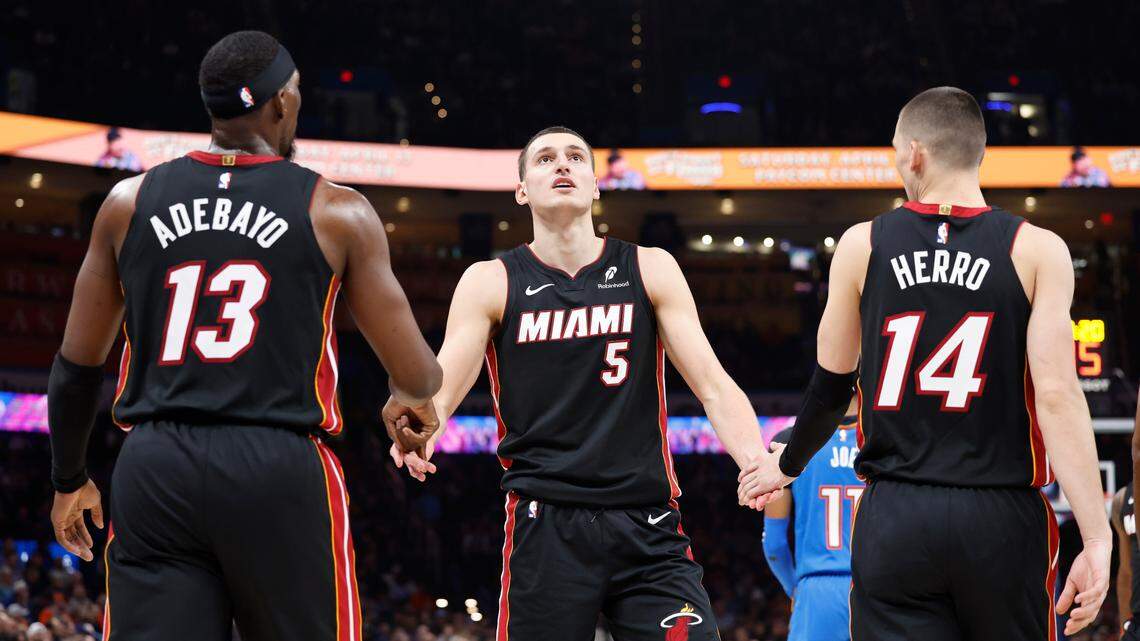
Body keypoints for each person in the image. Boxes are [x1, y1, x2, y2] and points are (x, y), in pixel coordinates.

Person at [47, 30, 441, 641]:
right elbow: (418, 374)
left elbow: (76, 368)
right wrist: (405, 398)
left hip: (156, 467)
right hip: (277, 464)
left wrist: (69, 478)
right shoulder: (336, 211)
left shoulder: (129, 202)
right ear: (281, 101)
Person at [738, 86, 1111, 640]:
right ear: (979, 153)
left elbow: (831, 386)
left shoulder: (861, 245)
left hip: (896, 511)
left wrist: (787, 465)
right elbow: (1057, 396)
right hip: (1001, 513)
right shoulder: (1038, 250)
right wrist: (1097, 538)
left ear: (914, 153)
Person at [384, 126, 773, 640]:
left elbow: (714, 386)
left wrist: (754, 458)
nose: (562, 165)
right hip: (547, 524)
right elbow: (448, 380)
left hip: (646, 521)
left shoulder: (649, 267)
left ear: (595, 185)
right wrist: (422, 430)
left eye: (575, 158)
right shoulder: (490, 279)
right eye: (544, 159)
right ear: (522, 190)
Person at [762, 399, 863, 641]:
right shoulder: (887, 441)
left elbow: (774, 544)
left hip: (817, 590)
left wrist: (795, 588)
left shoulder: (788, 442)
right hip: (876, 588)